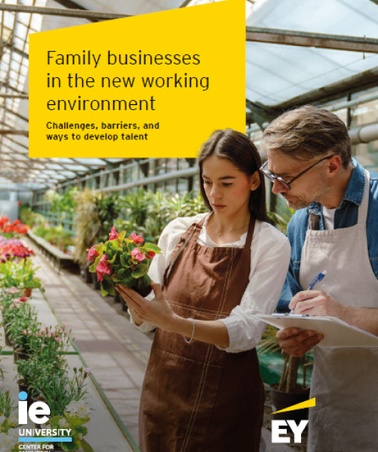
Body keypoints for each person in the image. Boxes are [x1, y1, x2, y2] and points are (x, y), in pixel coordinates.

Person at [117, 128, 290, 452]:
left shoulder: (271, 244)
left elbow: (247, 330)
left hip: (226, 401)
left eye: (226, 183)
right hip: (164, 390)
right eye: (207, 182)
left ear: (254, 181)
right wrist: (132, 295)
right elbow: (150, 313)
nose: (214, 194)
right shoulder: (178, 232)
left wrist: (173, 322)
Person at [260, 105, 378, 452]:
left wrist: (344, 314)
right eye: (272, 175)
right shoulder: (300, 225)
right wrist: (295, 336)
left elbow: (338, 313)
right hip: (334, 404)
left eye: (288, 177)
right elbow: (294, 310)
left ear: (331, 164)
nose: (278, 189)